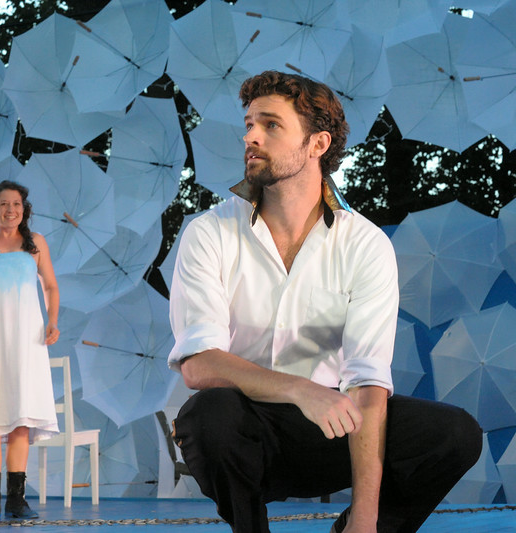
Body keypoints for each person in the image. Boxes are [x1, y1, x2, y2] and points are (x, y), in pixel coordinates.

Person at [167, 71, 483, 533]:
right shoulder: (209, 232)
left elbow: (368, 385)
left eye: (271, 125)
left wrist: (366, 520)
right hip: (245, 431)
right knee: (207, 414)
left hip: (332, 430)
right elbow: (198, 364)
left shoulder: (365, 244)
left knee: (454, 434)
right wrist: (300, 390)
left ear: (317, 144)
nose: (250, 135)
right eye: (250, 123)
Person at [0, 180, 60, 521]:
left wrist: (52, 321)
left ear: (24, 209)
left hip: (26, 340)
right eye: (4, 204)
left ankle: (16, 500)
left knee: (20, 420)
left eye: (16, 204)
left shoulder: (36, 245)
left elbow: (49, 285)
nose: (10, 210)